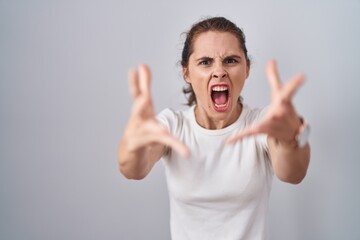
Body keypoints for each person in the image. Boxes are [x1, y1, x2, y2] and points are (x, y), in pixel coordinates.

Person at [118, 16, 310, 240]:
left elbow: (293, 173)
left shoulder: (262, 123)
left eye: (230, 60)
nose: (219, 71)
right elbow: (133, 169)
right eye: (205, 62)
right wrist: (133, 145)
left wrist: (291, 139)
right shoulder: (172, 126)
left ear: (247, 69)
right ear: (186, 72)